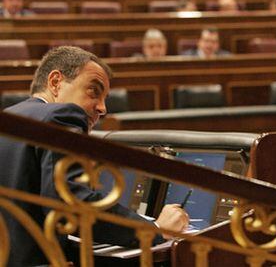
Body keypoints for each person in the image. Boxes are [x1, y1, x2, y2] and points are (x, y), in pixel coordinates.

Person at [0, 46, 189, 266]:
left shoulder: (11, 116)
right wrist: (154, 229)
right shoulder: (61, 115)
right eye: (93, 91)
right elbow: (72, 205)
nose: (102, 108)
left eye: (105, 97)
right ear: (55, 82)